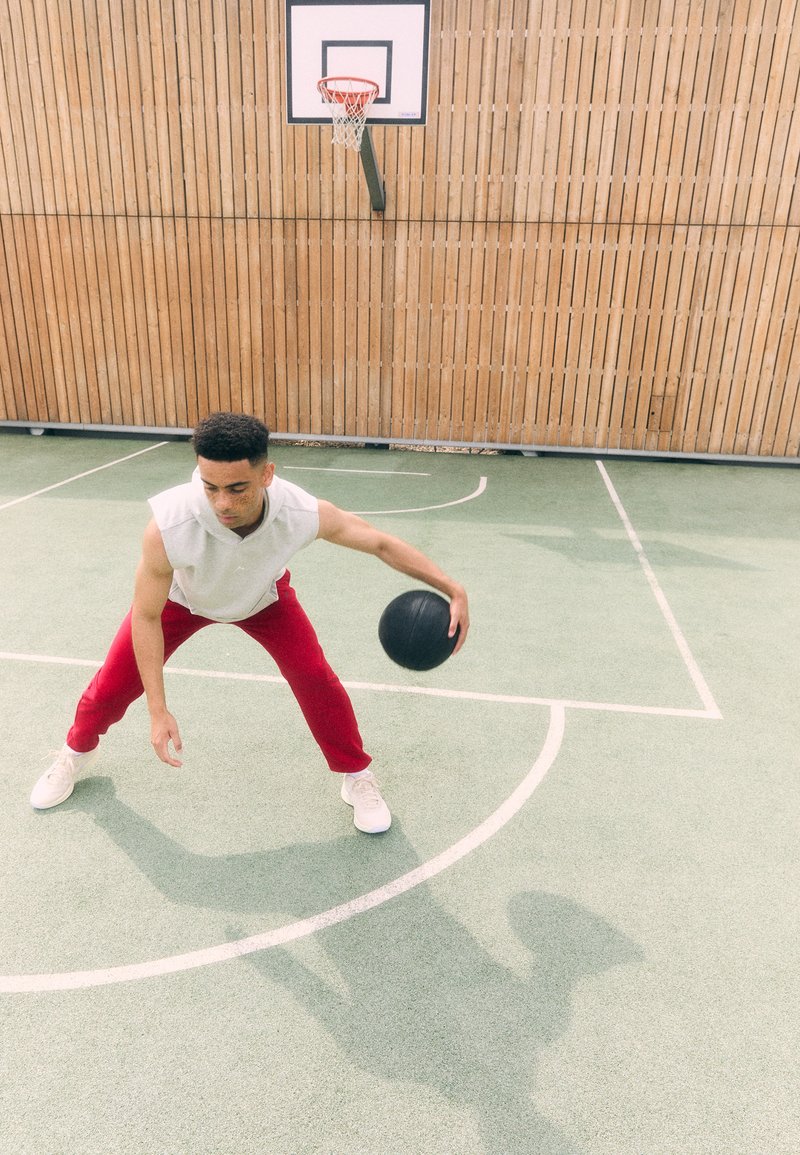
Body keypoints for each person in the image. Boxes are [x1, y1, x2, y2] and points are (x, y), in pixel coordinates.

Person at [30, 412, 470, 833]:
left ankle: (357, 776)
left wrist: (451, 586)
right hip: (182, 601)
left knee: (316, 678)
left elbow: (378, 542)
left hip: (263, 600)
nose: (223, 502)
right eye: (210, 487)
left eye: (237, 488)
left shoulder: (297, 511)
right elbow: (146, 615)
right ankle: (74, 753)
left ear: (266, 474)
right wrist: (157, 709)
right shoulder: (170, 524)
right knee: (110, 687)